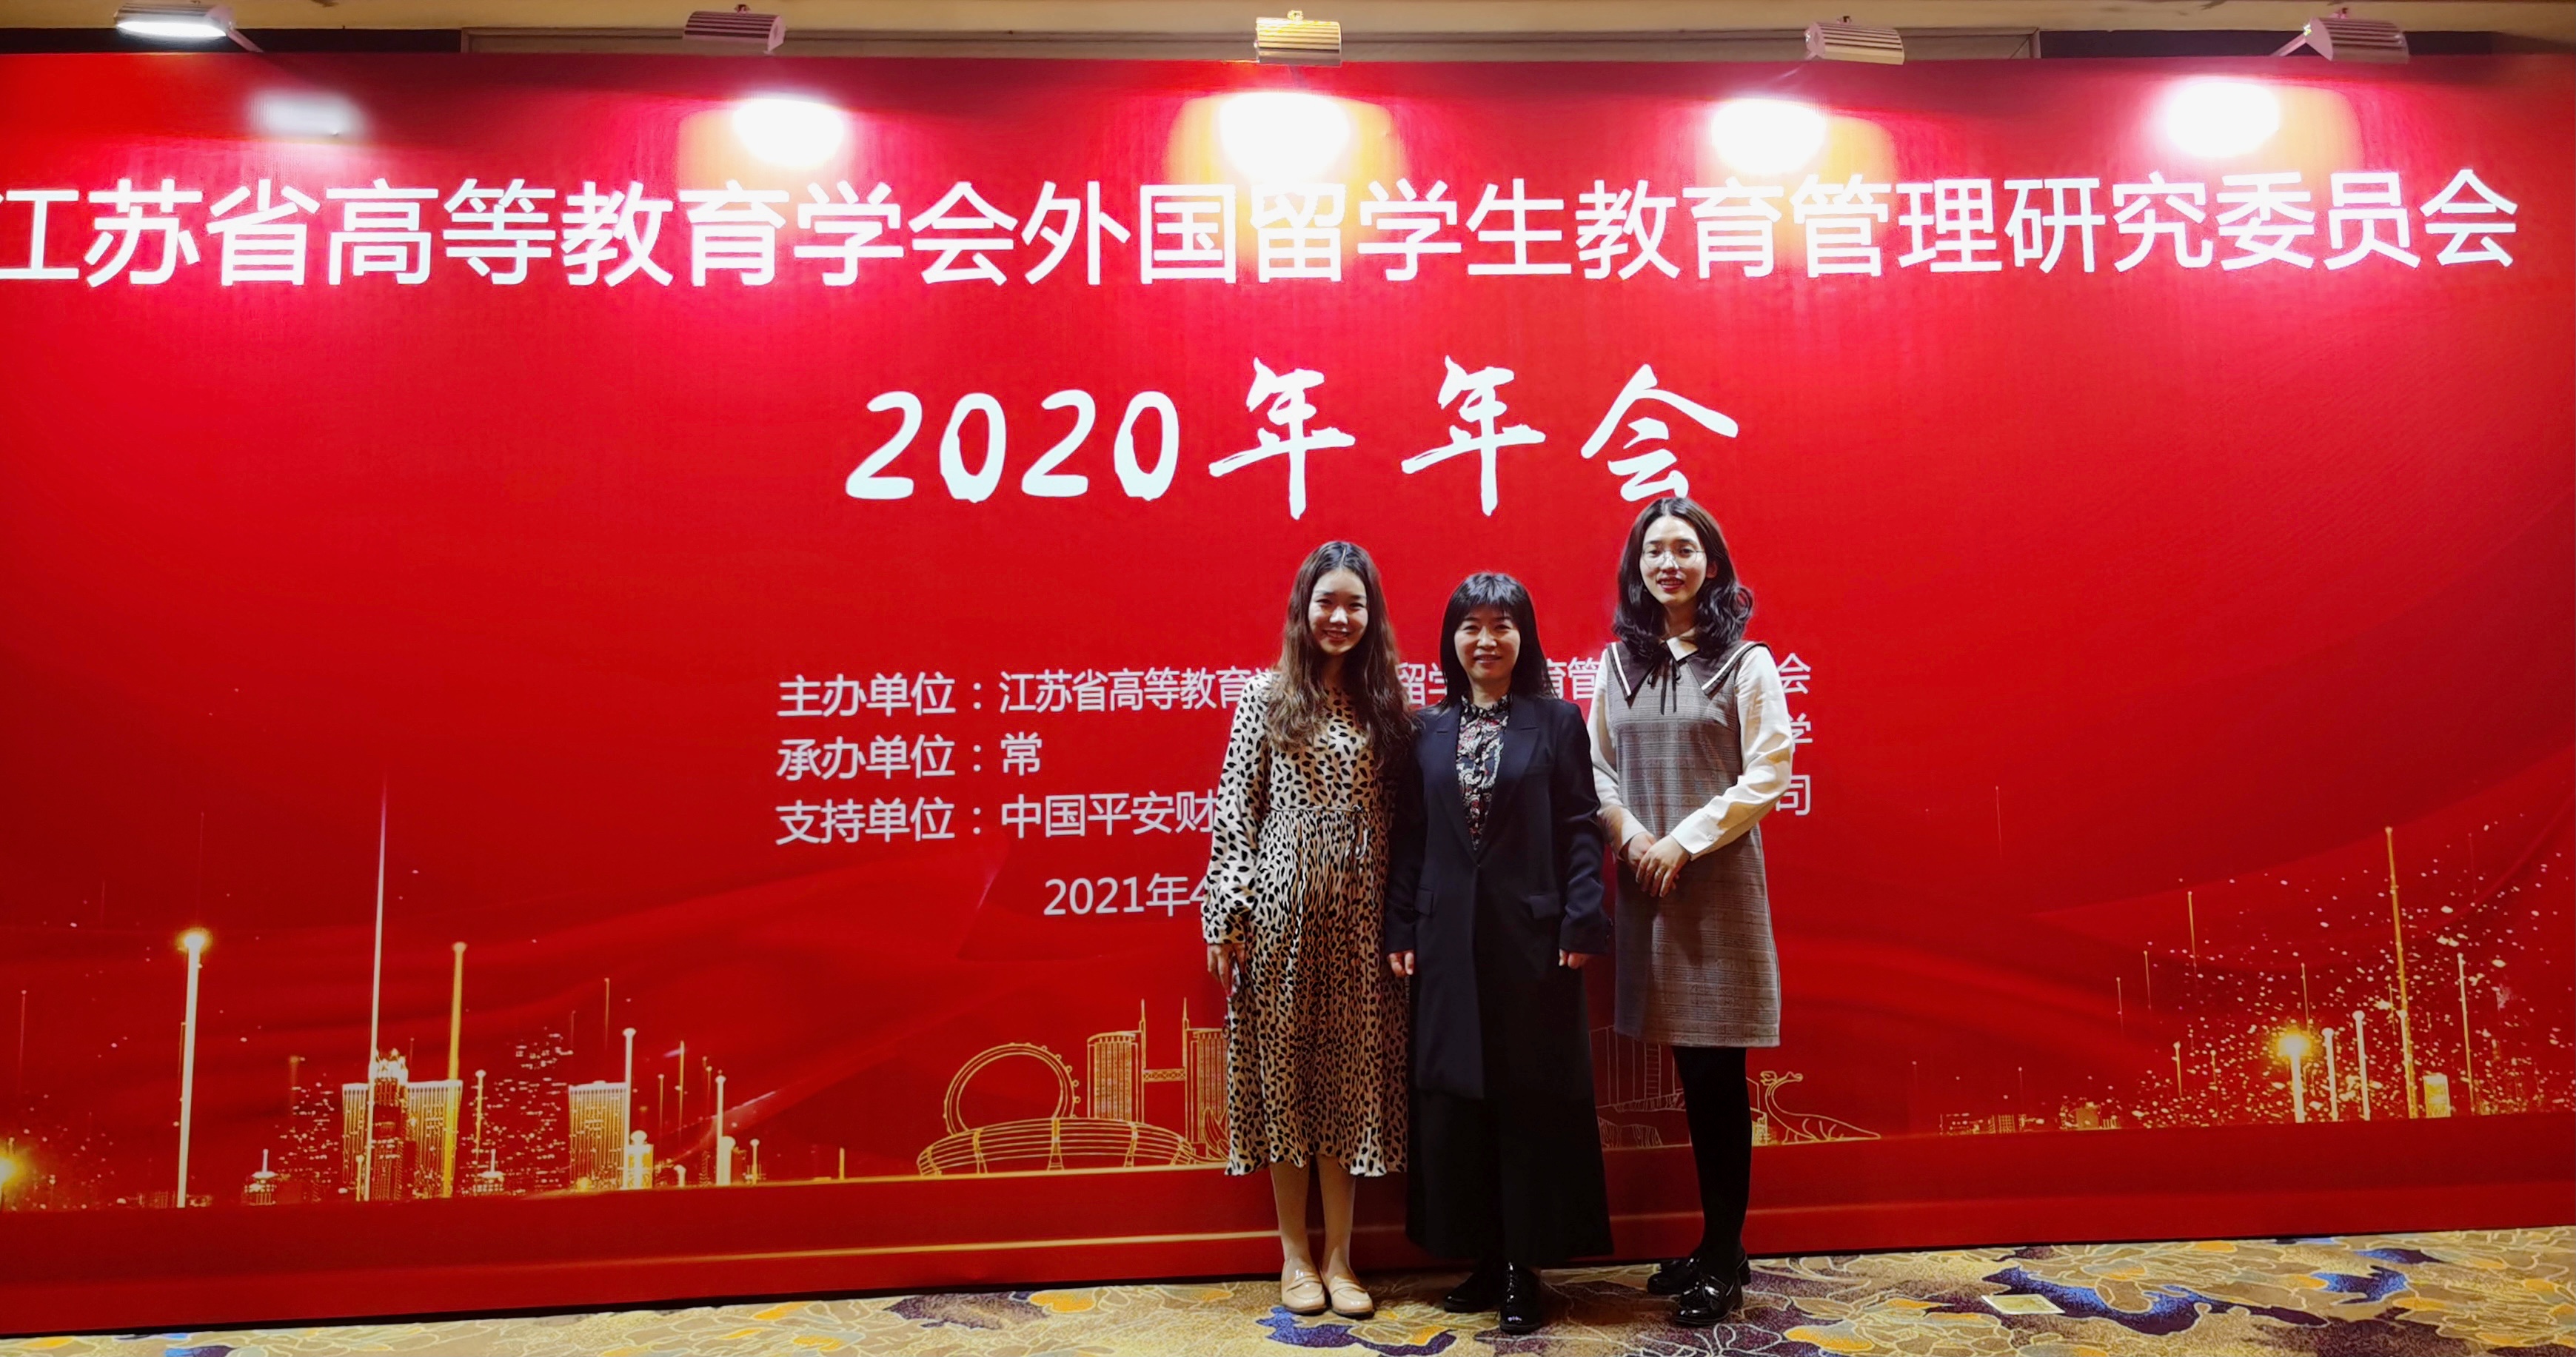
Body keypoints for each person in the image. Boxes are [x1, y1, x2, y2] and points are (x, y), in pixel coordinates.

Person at [1385, 572, 1611, 1337]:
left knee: (1528, 1099)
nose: (1485, 639)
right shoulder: (1426, 729)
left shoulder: (1556, 720)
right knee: (1460, 1100)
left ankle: (1523, 1265)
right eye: (1470, 625)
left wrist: (1582, 919)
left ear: (1523, 637)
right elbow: (1411, 837)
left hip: (1534, 941)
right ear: (1451, 639)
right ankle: (1482, 1255)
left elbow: (1579, 824)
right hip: (1445, 940)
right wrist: (1400, 927)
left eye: (1501, 625)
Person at [1586, 497, 1795, 1327]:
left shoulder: (1745, 663)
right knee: (1686, 1072)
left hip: (1714, 891)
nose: (1666, 563)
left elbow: (1768, 771)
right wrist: (1634, 835)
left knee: (1716, 1079)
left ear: (1711, 564)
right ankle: (1716, 1246)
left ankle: (1723, 1254)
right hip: (1649, 887)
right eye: (1653, 551)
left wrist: (1682, 841)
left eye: (1683, 549)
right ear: (1635, 568)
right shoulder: (1616, 665)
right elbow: (1595, 768)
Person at [1205, 540, 1416, 1320]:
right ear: (1303, 609)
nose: (1339, 617)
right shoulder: (1265, 697)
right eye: (1326, 601)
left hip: (1362, 918)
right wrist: (1225, 917)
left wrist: (1404, 919)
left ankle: (1340, 1257)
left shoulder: (1387, 704)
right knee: (1286, 1083)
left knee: (1349, 1086)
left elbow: (1405, 821)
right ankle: (1293, 1253)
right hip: (1279, 913)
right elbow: (1235, 811)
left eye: (1354, 604)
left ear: (1371, 616)